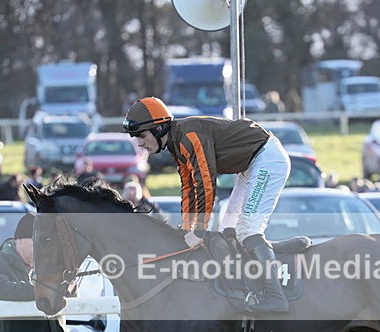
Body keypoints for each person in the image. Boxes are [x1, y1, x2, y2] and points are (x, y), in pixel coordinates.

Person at [123, 96, 291, 313]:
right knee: (228, 228)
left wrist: (200, 230)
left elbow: (206, 184)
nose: (139, 143)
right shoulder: (176, 144)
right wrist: (186, 228)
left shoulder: (189, 137)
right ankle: (247, 284)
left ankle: (276, 296)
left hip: (267, 159)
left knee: (248, 229)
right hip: (250, 165)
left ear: (158, 128)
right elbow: (188, 188)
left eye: (141, 136)